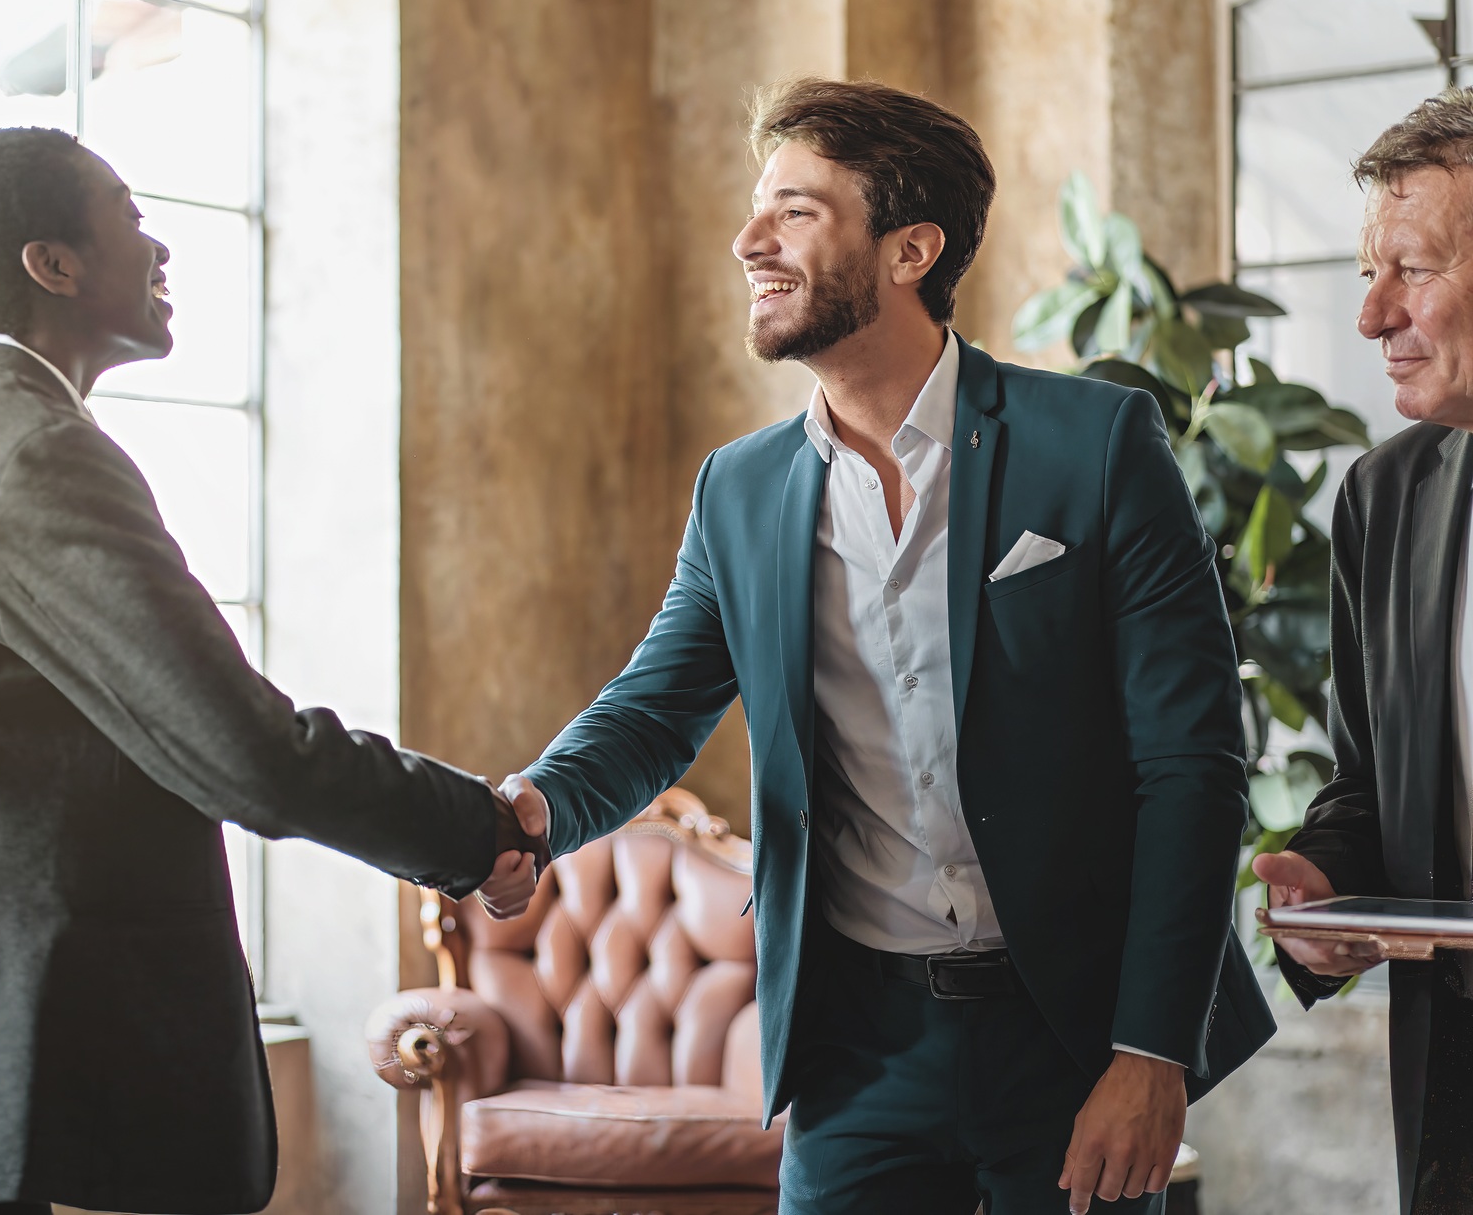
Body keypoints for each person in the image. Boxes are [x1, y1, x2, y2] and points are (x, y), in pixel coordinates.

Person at [475, 77, 1275, 1215]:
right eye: (759, 210)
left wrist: (1151, 1054)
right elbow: (654, 708)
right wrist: (535, 811)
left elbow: (1188, 766)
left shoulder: (1093, 446)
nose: (749, 241)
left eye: (795, 211)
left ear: (909, 250)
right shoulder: (738, 490)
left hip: (1069, 1030)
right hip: (856, 1047)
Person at [0, 126, 540, 1215]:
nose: (159, 251)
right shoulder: (27, 450)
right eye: (130, 217)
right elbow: (241, 750)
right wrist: (475, 828)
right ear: (51, 264)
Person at [1256, 87, 1473, 1215]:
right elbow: (1365, 786)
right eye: (1362, 274)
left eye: (1411, 270)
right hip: (1452, 1093)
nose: (1371, 315)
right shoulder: (1381, 497)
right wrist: (1325, 880)